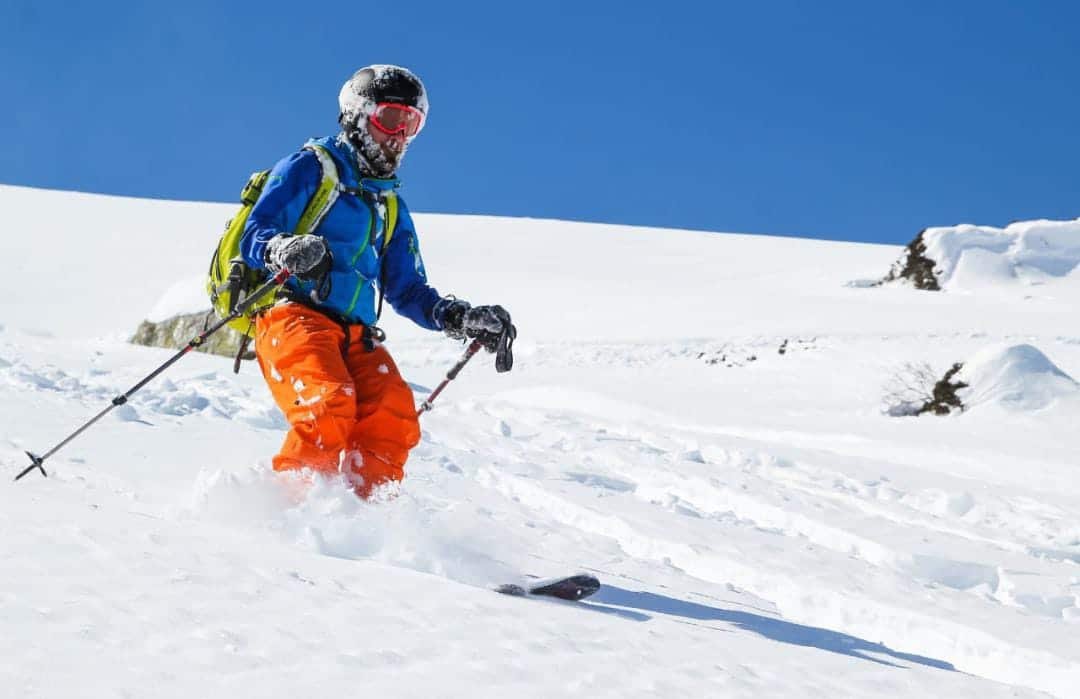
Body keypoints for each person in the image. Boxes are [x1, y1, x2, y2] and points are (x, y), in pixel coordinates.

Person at [240, 64, 514, 498]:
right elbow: (253, 233)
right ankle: (288, 518)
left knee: (392, 416)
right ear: (357, 115)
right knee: (328, 404)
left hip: (356, 334)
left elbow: (407, 290)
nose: (400, 135)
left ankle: (360, 527)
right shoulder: (311, 168)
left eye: (412, 124)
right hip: (291, 316)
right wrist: (284, 248)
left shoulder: (389, 206)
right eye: (391, 119)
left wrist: (460, 317)